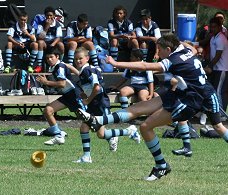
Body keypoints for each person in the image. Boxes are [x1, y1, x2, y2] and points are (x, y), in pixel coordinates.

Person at [77, 33, 228, 181]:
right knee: (138, 108)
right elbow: (193, 49)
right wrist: (171, 40)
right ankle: (99, 120)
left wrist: (116, 64)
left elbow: (144, 65)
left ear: (168, 49)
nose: (158, 53)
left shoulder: (173, 60)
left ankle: (162, 165)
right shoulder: (185, 49)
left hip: (193, 99)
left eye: (159, 49)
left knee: (146, 127)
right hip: (184, 93)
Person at [72, 47, 135, 163]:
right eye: (76, 59)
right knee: (92, 131)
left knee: (93, 131)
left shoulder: (88, 70)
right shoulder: (84, 71)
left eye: (80, 58)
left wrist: (87, 100)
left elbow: (97, 88)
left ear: (87, 58)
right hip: (94, 103)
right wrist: (84, 95)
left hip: (99, 103)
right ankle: (87, 156)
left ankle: (129, 132)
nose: (78, 61)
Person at [35, 47, 83, 145]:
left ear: (57, 57)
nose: (49, 60)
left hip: (75, 95)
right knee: (48, 110)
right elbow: (68, 65)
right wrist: (79, 74)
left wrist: (46, 82)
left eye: (51, 57)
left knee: (90, 121)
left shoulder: (59, 67)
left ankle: (111, 135)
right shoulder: (59, 65)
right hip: (68, 95)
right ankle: (59, 135)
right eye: (47, 58)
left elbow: (62, 84)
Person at [205, 17, 228, 119]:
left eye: (214, 27)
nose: (212, 29)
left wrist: (209, 65)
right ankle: (218, 112)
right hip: (216, 68)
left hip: (222, 68)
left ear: (219, 27)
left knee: (219, 91)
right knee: (215, 90)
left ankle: (222, 114)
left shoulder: (221, 38)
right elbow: (212, 53)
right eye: (211, 27)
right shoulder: (213, 37)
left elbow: (218, 55)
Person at [36, 6, 65, 73]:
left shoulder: (57, 24)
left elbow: (58, 37)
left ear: (54, 15)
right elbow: (40, 37)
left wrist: (53, 44)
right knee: (40, 42)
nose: (49, 17)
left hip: (53, 43)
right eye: (47, 15)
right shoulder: (41, 24)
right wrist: (46, 27)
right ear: (45, 16)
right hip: (45, 42)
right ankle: (39, 65)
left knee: (61, 44)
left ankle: (60, 62)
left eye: (51, 15)